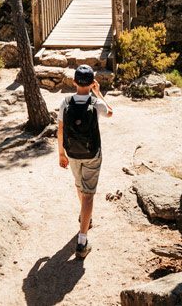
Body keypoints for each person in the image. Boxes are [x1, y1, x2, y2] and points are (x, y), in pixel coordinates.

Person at [58, 64, 113, 258]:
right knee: (88, 194)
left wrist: (61, 155)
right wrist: (98, 93)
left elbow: (61, 129)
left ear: (73, 82)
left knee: (79, 185)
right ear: (92, 83)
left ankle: (84, 217)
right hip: (92, 154)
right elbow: (110, 112)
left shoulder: (65, 102)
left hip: (72, 153)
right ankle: (82, 241)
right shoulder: (95, 103)